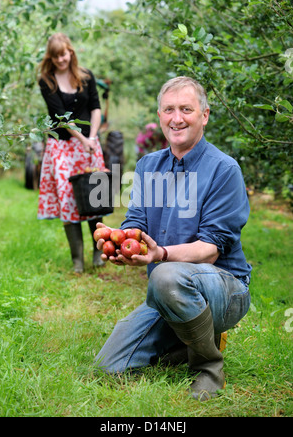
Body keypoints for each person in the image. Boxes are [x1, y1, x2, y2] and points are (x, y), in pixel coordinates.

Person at [94, 76, 252, 401]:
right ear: (159, 114)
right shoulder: (148, 166)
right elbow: (135, 223)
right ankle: (190, 338)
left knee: (165, 275)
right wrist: (118, 242)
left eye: (186, 109)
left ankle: (209, 365)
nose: (176, 118)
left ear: (204, 115)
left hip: (225, 290)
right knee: (109, 366)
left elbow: (209, 250)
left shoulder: (224, 170)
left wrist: (159, 254)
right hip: (167, 292)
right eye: (169, 109)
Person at [37, 33, 106, 273]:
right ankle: (77, 259)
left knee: (93, 197)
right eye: (55, 56)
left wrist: (93, 137)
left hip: (89, 144)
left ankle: (98, 252)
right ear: (51, 57)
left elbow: (95, 107)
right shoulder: (47, 81)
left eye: (63, 54)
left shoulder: (86, 76)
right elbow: (59, 118)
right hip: (62, 147)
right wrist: (82, 139)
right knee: (68, 198)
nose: (60, 59)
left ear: (71, 52)